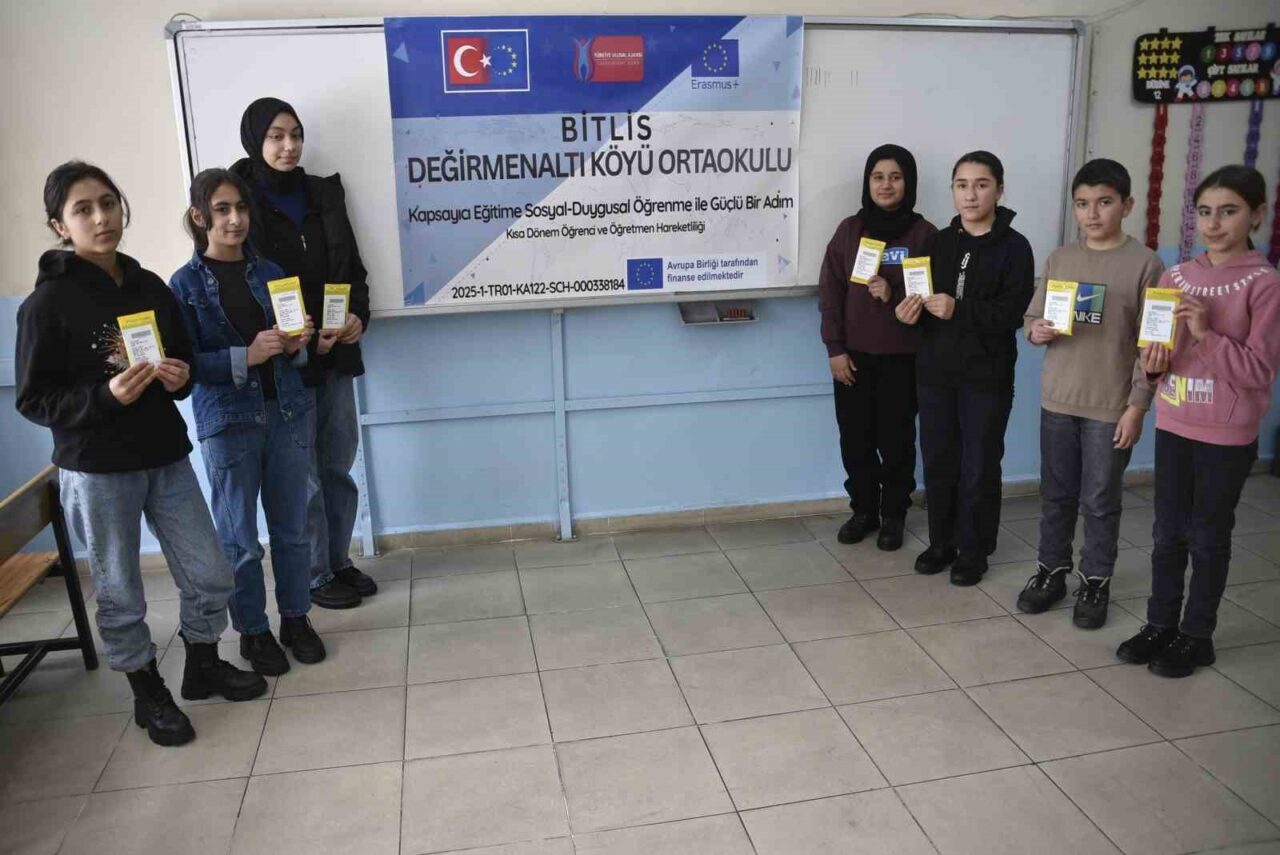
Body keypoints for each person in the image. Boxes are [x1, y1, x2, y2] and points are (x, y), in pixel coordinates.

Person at [15, 161, 266, 747]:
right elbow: (34, 399)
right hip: (96, 467)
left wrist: (179, 377)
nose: (101, 218)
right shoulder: (46, 304)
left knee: (211, 574)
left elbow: (180, 365)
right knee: (120, 590)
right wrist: (105, 396)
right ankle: (147, 691)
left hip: (165, 454)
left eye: (108, 203)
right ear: (60, 226)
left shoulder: (149, 285)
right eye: (83, 210)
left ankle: (202, 664)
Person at [170, 168, 337, 676]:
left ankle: (296, 619)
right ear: (199, 216)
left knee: (293, 528)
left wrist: (298, 343)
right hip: (228, 423)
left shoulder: (271, 272)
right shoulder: (184, 284)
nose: (235, 219)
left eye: (241, 208)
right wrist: (246, 355)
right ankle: (253, 631)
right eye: (222, 209)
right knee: (239, 540)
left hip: (288, 412)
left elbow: (294, 351)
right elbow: (185, 367)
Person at [1117, 165, 1280, 678]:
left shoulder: (1264, 283)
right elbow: (1154, 353)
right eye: (1205, 212)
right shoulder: (1176, 276)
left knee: (1208, 536)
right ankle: (1160, 624)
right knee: (1168, 533)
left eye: (1228, 211)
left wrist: (1207, 334)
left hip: (1226, 434)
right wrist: (1153, 363)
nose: (1214, 223)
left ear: (1256, 215)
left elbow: (1258, 372)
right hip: (1175, 423)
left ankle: (1197, 635)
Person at [230, 97, 375, 610]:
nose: (289, 146)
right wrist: (295, 338)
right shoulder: (239, 202)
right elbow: (241, 285)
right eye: (276, 136)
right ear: (255, 140)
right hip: (284, 361)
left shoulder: (323, 194)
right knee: (303, 475)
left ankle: (338, 559)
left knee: (337, 465)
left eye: (295, 134)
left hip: (336, 353)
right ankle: (314, 573)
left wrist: (357, 316)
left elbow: (353, 269)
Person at [1019, 159, 1164, 628]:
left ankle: (1096, 580)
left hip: (1110, 406)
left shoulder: (1146, 264)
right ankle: (1051, 571)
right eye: (1082, 204)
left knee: (1100, 500)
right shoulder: (1061, 258)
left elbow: (1153, 344)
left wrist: (1137, 406)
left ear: (1127, 205)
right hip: (1058, 398)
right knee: (1056, 494)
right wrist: (1036, 331)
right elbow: (1032, 318)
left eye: (1104, 202)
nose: (1092, 213)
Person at [896, 151, 1035, 586]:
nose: (970, 195)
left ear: (999, 190)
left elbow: (1012, 313)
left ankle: (974, 550)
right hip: (935, 373)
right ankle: (941, 542)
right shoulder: (938, 242)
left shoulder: (1015, 247)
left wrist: (960, 309)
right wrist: (907, 312)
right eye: (961, 185)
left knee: (979, 465)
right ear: (952, 190)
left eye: (981, 184)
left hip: (986, 377)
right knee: (939, 461)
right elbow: (921, 302)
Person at [819, 144, 937, 551]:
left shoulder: (925, 235)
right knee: (855, 440)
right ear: (868, 183)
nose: (886, 185)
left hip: (903, 360)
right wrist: (835, 349)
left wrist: (894, 292)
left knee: (897, 442)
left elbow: (933, 300)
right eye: (878, 177)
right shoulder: (849, 231)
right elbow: (830, 294)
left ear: (909, 183)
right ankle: (864, 511)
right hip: (853, 359)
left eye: (896, 177)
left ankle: (894, 515)